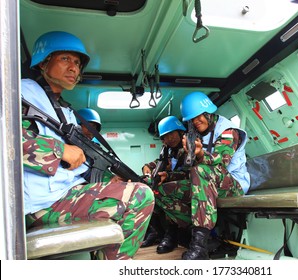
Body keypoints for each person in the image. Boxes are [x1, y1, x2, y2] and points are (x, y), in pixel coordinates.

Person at [21, 31, 154, 260]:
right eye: (65, 59)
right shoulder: (21, 91)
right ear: (44, 62)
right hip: (40, 205)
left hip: (64, 195)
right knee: (141, 196)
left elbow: (75, 170)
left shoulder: (67, 111)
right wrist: (60, 150)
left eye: (77, 63)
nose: (74, 68)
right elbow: (8, 141)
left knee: (134, 192)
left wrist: (105, 182)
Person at [154, 91, 250, 260]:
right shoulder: (196, 136)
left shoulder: (228, 131)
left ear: (209, 112)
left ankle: (200, 247)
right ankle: (199, 234)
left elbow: (221, 161)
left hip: (234, 185)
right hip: (208, 182)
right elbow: (186, 170)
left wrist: (200, 155)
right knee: (162, 190)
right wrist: (167, 177)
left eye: (199, 117)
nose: (196, 122)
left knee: (201, 170)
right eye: (192, 119)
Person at [141, 116, 191, 253]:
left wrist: (169, 175)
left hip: (193, 185)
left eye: (172, 134)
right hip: (175, 184)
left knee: (161, 190)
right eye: (165, 136)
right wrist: (147, 167)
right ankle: (157, 232)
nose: (169, 139)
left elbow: (191, 173)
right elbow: (160, 162)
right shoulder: (168, 150)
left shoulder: (189, 146)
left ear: (180, 131)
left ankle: (174, 232)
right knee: (145, 187)